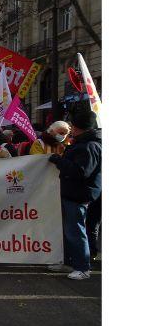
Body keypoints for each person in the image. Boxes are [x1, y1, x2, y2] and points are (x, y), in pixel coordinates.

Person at [48, 107, 101, 280]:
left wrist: (59, 161)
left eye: (73, 125)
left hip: (78, 194)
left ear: (79, 126)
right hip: (73, 192)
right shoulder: (83, 143)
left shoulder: (89, 146)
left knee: (76, 231)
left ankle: (83, 267)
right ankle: (69, 262)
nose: (71, 128)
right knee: (69, 230)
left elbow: (81, 172)